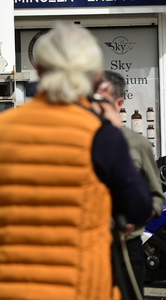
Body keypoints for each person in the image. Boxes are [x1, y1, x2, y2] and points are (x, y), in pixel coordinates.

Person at [0, 23, 153, 300]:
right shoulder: (99, 134)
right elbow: (138, 208)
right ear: (93, 77)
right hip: (77, 288)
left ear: (40, 70)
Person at [94, 70, 165, 299]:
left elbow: (156, 195)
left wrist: (140, 212)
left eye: (100, 99)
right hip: (87, 244)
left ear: (119, 102)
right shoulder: (77, 140)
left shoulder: (137, 144)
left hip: (127, 244)